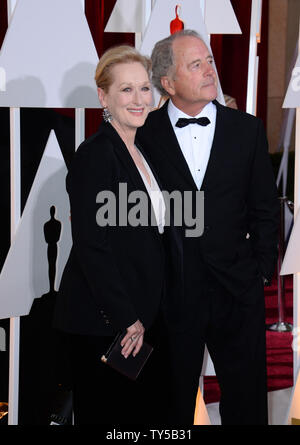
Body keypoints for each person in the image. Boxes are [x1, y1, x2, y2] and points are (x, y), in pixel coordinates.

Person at [137, 30, 280, 425]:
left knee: (246, 402)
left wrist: (260, 269)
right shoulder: (143, 135)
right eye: (195, 64)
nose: (209, 70)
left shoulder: (246, 130)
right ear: (167, 83)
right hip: (172, 295)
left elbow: (265, 209)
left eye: (210, 61)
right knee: (169, 404)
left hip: (237, 288)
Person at [53, 45, 166, 425]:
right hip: (106, 323)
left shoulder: (143, 150)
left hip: (141, 320)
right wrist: (126, 318)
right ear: (103, 96)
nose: (139, 99)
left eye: (144, 88)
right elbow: (92, 245)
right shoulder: (96, 155)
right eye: (126, 90)